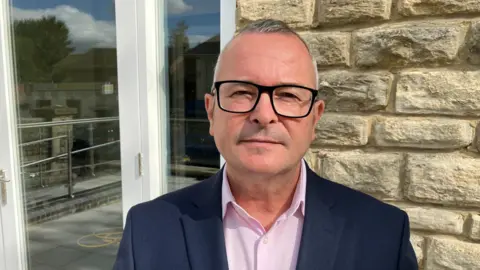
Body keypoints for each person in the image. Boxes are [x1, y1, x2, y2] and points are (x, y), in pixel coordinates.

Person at [113, 19, 418, 270]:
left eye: (288, 95)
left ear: (315, 118)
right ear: (211, 111)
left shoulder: (383, 233)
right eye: (242, 92)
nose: (263, 114)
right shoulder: (147, 230)